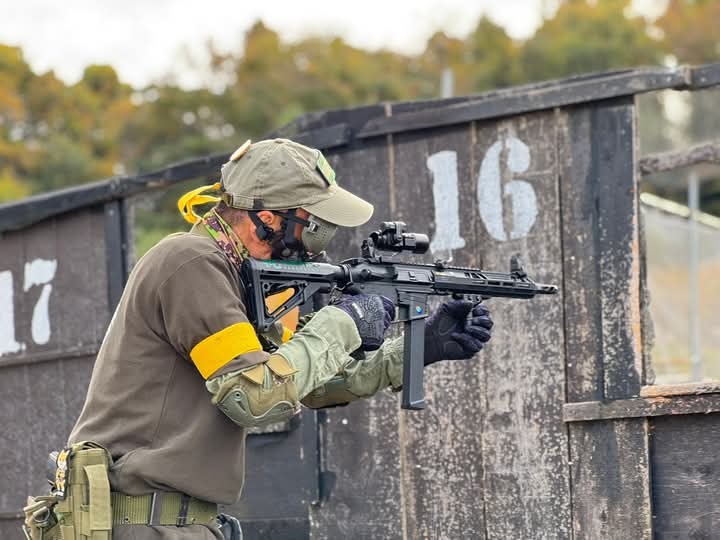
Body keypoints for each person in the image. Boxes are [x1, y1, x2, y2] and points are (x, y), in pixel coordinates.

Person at [40, 139, 493, 540]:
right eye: (314, 218)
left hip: (172, 522)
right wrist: (345, 321)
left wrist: (420, 347)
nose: (322, 233)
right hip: (145, 523)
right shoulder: (190, 261)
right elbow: (255, 398)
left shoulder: (233, 277)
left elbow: (303, 385)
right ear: (269, 218)